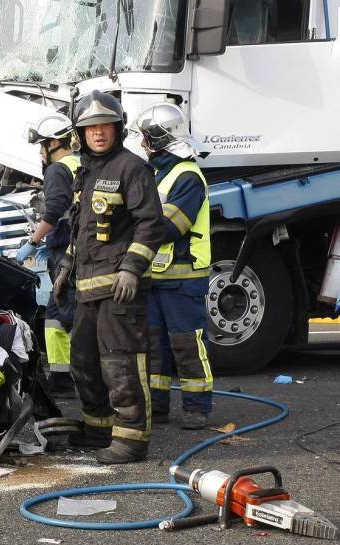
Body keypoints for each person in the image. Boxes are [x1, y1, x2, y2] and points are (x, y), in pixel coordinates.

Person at [53, 91, 164, 464]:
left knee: (121, 363)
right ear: (80, 134)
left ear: (117, 129)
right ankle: (98, 428)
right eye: (90, 128)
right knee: (84, 361)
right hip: (88, 286)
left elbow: (150, 224)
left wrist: (132, 268)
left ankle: (132, 440)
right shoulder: (86, 171)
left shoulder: (132, 168)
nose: (98, 133)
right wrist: (66, 268)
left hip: (119, 287)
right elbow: (82, 230)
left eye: (104, 126)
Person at [130, 103, 213, 430]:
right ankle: (158, 407)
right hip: (153, 277)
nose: (140, 145)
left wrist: (132, 227)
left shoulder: (187, 175)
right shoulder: (153, 173)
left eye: (144, 139)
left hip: (183, 278)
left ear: (158, 139)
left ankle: (196, 407)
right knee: (154, 348)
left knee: (187, 344)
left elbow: (171, 226)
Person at [16, 112, 80, 397]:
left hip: (65, 254)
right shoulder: (82, 164)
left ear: (55, 143)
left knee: (63, 316)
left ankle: (74, 383)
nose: (40, 152)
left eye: (42, 145)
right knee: (64, 315)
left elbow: (54, 210)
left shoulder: (57, 170)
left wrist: (33, 240)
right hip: (78, 249)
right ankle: (69, 380)